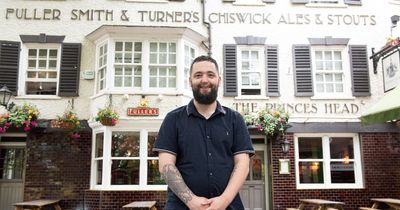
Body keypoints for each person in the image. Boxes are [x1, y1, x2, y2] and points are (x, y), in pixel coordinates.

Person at [153, 55, 254, 210]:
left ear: (219, 80)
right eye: (198, 75)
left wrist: (224, 200)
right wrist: (191, 201)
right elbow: (166, 165)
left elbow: (242, 164)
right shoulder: (173, 119)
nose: (204, 80)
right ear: (190, 81)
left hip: (229, 206)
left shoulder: (235, 120)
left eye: (210, 75)